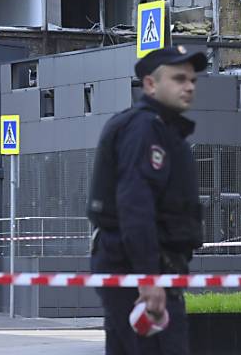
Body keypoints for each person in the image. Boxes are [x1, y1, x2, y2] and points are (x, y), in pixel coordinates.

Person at [87, 45, 207, 355]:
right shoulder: (145, 129)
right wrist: (148, 277)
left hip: (136, 265)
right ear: (151, 85)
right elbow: (135, 205)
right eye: (179, 79)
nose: (190, 86)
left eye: (193, 80)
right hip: (138, 267)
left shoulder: (160, 129)